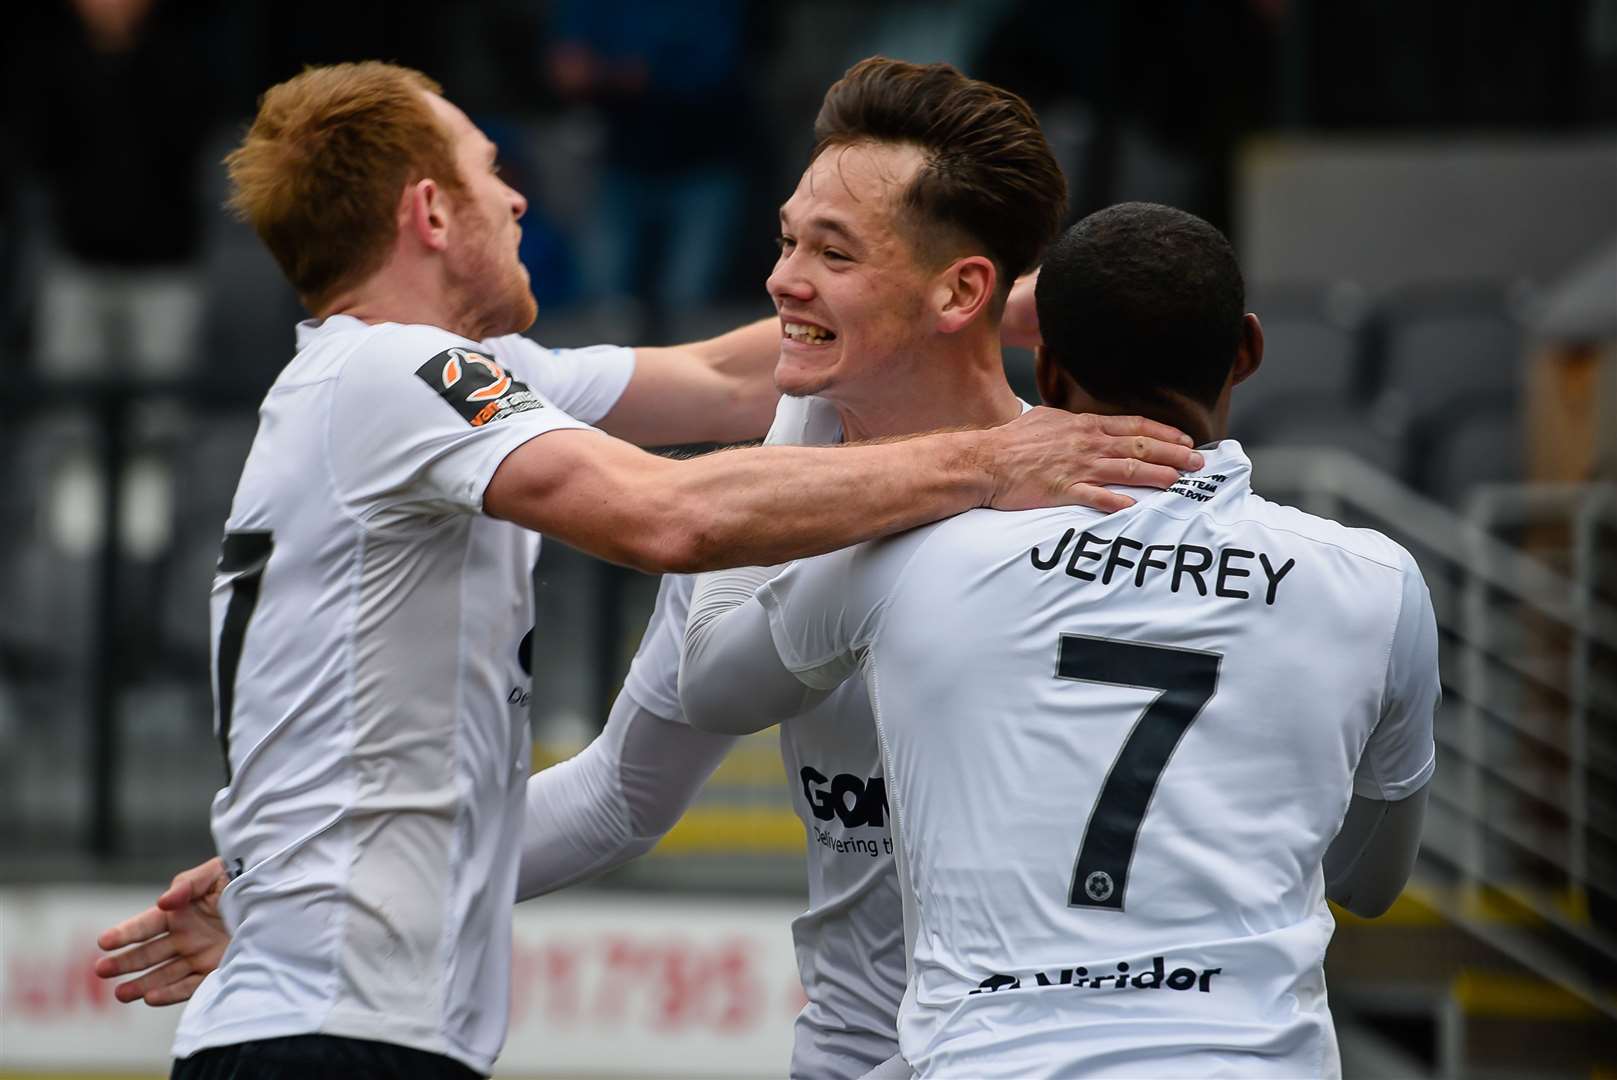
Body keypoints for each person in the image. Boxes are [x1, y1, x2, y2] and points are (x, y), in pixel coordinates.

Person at [93, 60, 1200, 1079]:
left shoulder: (462, 377)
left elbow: (723, 378)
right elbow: (668, 521)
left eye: (832, 249)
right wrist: (984, 440)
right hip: (352, 1031)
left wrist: (1015, 307)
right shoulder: (408, 377)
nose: (522, 196)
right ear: (429, 213)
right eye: (490, 172)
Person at [679, 203, 1438, 1078]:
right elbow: (1370, 882)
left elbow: (713, 686)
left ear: (1042, 364)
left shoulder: (916, 554)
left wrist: (805, 397)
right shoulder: (1375, 584)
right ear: (1246, 350)